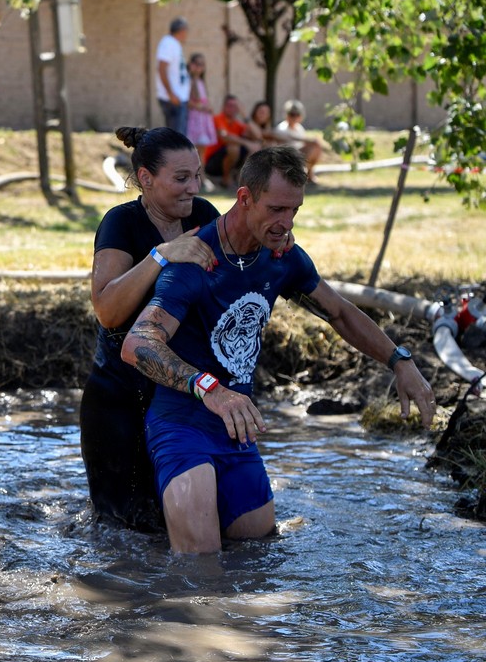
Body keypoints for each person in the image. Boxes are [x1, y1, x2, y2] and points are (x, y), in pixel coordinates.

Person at [120, 146, 437, 554]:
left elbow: (338, 313)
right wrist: (210, 389)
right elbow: (138, 344)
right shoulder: (196, 260)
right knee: (199, 574)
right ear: (245, 198)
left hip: (238, 432)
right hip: (182, 427)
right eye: (276, 209)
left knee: (258, 561)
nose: (285, 223)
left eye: (294, 211)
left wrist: (400, 361)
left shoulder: (282, 257)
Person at [80, 126, 220, 531]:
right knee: (120, 534)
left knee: (183, 526)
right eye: (181, 178)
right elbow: (107, 309)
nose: (193, 187)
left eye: (197, 175)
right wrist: (160, 256)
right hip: (118, 401)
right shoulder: (121, 223)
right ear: (145, 178)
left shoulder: (204, 216)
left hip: (179, 400)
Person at [205, 95, 263, 188]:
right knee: (234, 147)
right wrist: (247, 143)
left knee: (256, 146)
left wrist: (245, 116)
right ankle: (226, 179)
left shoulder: (237, 124)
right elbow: (225, 136)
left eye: (235, 106)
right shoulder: (217, 119)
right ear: (223, 107)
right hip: (212, 162)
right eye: (229, 105)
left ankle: (240, 177)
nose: (232, 108)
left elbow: (258, 135)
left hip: (230, 159)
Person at [155, 17, 190, 137]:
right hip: (173, 98)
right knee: (176, 140)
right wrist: (170, 93)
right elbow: (161, 68)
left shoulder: (173, 43)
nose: (187, 34)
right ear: (181, 30)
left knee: (177, 139)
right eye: (186, 31)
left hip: (177, 97)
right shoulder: (168, 43)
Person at [276, 100, 324, 183]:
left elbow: (304, 142)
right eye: (292, 114)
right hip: (287, 157)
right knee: (314, 145)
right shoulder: (281, 128)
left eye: (297, 114)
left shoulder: (299, 128)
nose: (294, 117)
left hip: (298, 154)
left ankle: (309, 173)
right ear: (287, 115)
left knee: (316, 146)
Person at [184, 53, 217, 163]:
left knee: (203, 148)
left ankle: (202, 174)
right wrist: (202, 107)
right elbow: (189, 101)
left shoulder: (201, 81)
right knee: (194, 148)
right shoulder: (189, 81)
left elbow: (203, 99)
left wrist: (209, 107)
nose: (200, 67)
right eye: (197, 64)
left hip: (204, 119)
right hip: (195, 118)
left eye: (202, 64)